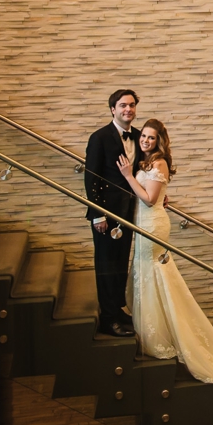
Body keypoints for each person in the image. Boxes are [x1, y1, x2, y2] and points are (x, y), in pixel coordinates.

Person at [116, 119, 213, 401]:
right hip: (146, 223)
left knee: (153, 274)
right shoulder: (147, 161)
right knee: (147, 275)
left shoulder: (158, 163)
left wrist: (127, 176)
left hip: (152, 226)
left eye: (151, 137)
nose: (145, 141)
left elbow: (148, 198)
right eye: (143, 136)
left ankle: (164, 337)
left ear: (160, 140)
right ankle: (153, 333)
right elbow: (154, 194)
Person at [84, 88, 142, 337]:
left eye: (131, 105)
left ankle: (118, 309)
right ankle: (108, 318)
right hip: (106, 216)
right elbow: (91, 177)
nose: (127, 109)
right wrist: (98, 214)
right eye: (122, 105)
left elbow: (141, 173)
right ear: (113, 109)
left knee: (120, 263)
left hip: (128, 213)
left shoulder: (139, 136)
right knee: (106, 265)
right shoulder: (99, 137)